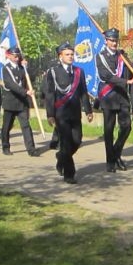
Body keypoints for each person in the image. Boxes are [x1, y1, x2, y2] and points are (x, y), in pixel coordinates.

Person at [44, 42, 93, 184]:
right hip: (61, 114)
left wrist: (88, 110)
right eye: (67, 54)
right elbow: (50, 94)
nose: (71, 57)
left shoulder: (79, 72)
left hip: (75, 112)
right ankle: (69, 174)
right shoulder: (53, 72)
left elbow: (83, 93)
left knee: (77, 141)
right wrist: (50, 114)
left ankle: (61, 158)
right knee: (65, 142)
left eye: (72, 54)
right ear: (60, 56)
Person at [95, 28, 133, 172]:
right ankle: (110, 161)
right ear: (106, 40)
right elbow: (106, 76)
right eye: (111, 40)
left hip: (122, 97)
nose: (114, 43)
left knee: (127, 127)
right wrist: (126, 82)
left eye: (115, 40)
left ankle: (116, 153)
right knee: (109, 129)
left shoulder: (122, 55)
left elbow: (132, 69)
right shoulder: (100, 56)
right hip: (109, 97)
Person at [0, 46, 38, 157]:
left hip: (22, 103)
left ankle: (31, 149)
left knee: (26, 126)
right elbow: (10, 84)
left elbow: (32, 77)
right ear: (9, 56)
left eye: (18, 56)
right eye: (15, 56)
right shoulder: (6, 69)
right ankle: (5, 147)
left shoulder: (22, 68)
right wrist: (25, 92)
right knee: (7, 126)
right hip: (10, 102)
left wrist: (27, 67)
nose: (17, 58)